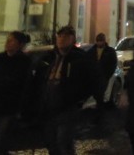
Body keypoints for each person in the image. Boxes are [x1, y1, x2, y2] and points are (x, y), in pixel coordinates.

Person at [34, 25, 96, 155]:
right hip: (48, 107)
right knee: (51, 142)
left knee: (64, 141)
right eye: (60, 36)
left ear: (72, 39)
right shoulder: (49, 57)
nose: (62, 39)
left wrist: (79, 99)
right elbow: (37, 79)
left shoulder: (79, 58)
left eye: (66, 36)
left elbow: (91, 81)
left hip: (67, 107)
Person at [0, 31, 32, 155]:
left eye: (12, 40)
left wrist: (22, 107)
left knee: (0, 139)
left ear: (20, 44)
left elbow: (25, 86)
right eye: (8, 39)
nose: (8, 43)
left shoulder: (24, 63)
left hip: (10, 107)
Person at [87, 32, 117, 115]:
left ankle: (99, 113)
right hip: (94, 77)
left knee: (100, 95)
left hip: (103, 77)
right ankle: (99, 111)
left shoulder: (110, 51)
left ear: (104, 41)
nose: (99, 42)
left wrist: (107, 75)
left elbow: (113, 64)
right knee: (97, 95)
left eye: (101, 41)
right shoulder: (91, 51)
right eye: (98, 41)